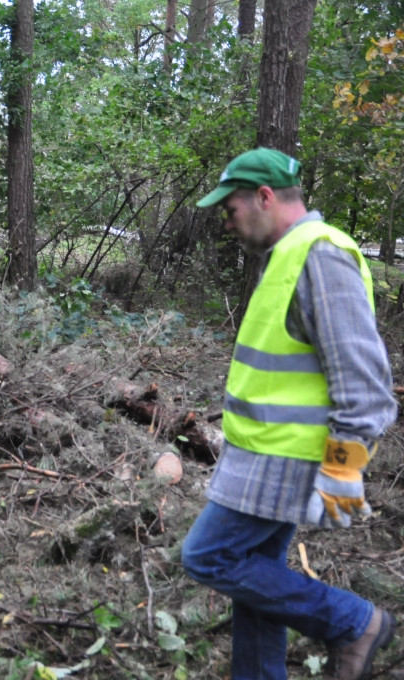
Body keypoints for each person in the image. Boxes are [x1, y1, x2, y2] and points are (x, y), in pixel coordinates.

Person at [181, 148, 397, 680]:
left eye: (230, 209)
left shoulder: (319, 256)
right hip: (258, 456)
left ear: (265, 196)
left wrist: (344, 465)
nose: (227, 222)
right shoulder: (290, 253)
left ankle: (355, 623)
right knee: (258, 583)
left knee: (209, 557)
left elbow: (365, 384)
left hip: (283, 459)